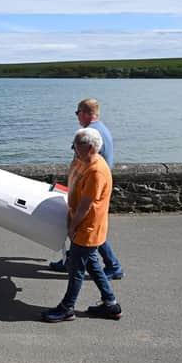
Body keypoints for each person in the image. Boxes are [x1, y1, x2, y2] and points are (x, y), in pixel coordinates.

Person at [42, 128, 122, 322]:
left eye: (76, 147)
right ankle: (111, 305)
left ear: (91, 148)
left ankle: (67, 308)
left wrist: (72, 226)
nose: (73, 150)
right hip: (84, 225)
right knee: (93, 265)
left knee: (76, 269)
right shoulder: (82, 161)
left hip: (87, 227)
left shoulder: (96, 171)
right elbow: (73, 179)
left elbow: (86, 206)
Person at [49, 98, 125, 280]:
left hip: (89, 187)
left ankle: (112, 266)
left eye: (77, 113)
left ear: (84, 113)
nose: (77, 117)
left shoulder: (88, 134)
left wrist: (72, 185)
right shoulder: (103, 130)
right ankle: (72, 261)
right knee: (90, 228)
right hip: (96, 185)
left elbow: (80, 160)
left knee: (84, 227)